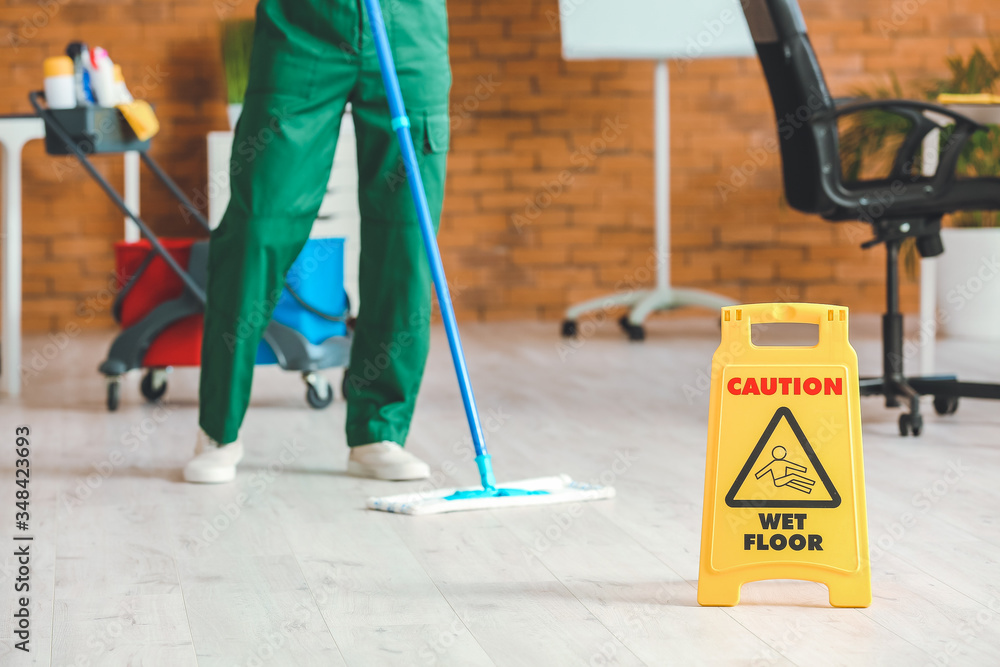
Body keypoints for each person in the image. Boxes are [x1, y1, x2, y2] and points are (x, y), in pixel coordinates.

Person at [183, 0, 451, 483]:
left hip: (408, 29)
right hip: (303, 27)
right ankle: (218, 427)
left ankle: (378, 430)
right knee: (259, 226)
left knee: (406, 240)